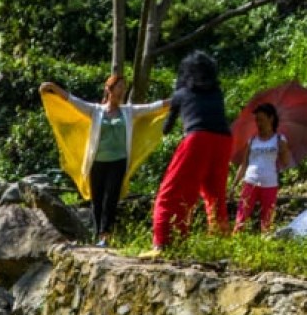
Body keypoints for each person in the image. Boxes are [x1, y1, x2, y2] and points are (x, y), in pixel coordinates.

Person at [40, 76, 170, 246]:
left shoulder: (129, 111)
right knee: (97, 200)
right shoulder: (95, 110)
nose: (122, 91)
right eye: (119, 87)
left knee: (111, 198)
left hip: (119, 161)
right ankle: (97, 235)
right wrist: (53, 88)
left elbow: (153, 107)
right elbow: (72, 100)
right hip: (97, 161)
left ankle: (105, 236)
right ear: (109, 89)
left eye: (124, 88)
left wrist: (178, 99)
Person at [150, 51, 232, 251]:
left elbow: (167, 128)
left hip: (197, 140)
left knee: (171, 192)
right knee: (215, 196)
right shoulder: (217, 93)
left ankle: (163, 242)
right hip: (224, 141)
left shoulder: (181, 94)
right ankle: (219, 243)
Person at [233, 103, 292, 232]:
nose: (259, 123)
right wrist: (234, 184)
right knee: (241, 217)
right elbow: (244, 164)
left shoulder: (279, 139)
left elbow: (286, 162)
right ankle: (234, 242)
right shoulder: (252, 140)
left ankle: (265, 246)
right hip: (250, 181)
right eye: (257, 120)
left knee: (267, 220)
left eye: (261, 119)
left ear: (271, 119)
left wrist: (284, 150)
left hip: (270, 183)